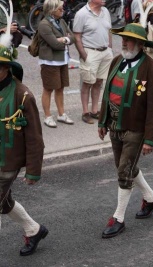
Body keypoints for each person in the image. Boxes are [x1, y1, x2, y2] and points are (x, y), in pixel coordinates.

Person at [98, 23, 153, 238]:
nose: (123, 42)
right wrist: (102, 121)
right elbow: (107, 93)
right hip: (114, 126)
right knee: (123, 166)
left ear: (139, 43)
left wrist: (150, 139)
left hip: (136, 129)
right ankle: (149, 197)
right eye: (123, 39)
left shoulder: (152, 69)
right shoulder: (117, 61)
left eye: (127, 39)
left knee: (124, 171)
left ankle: (118, 218)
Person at [0, 43, 48, 256]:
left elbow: (35, 137)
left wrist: (33, 170)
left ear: (8, 68)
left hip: (8, 161)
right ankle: (34, 230)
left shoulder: (23, 95)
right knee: (4, 201)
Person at [73, 0, 114, 124]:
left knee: (99, 81)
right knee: (87, 83)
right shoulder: (82, 14)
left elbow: (109, 31)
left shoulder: (105, 11)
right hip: (90, 51)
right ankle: (85, 112)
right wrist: (83, 54)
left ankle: (95, 110)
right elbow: (77, 36)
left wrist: (110, 48)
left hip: (105, 51)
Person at [38, 0, 75, 128]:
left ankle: (61, 114)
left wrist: (64, 39)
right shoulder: (44, 24)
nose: (63, 11)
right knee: (48, 88)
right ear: (52, 10)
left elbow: (73, 37)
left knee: (60, 87)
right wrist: (65, 39)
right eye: (60, 9)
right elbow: (54, 44)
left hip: (62, 59)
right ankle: (47, 116)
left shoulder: (62, 21)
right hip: (50, 61)